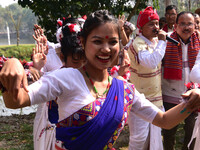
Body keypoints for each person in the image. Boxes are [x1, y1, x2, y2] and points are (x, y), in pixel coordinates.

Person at [1, 10, 200, 150]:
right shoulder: (65, 78)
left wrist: (192, 103)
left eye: (113, 42)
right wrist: (13, 65)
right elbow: (15, 101)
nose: (106, 49)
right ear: (83, 42)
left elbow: (164, 121)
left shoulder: (125, 89)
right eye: (97, 41)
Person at [31, 18, 86, 150]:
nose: (81, 66)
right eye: (76, 61)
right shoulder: (55, 70)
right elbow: (39, 84)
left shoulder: (90, 70)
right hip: (54, 118)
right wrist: (36, 69)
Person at [127, 6, 167, 150]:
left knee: (155, 136)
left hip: (156, 98)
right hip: (140, 99)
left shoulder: (155, 41)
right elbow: (150, 63)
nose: (155, 27)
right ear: (141, 27)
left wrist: (161, 41)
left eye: (157, 23)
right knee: (139, 138)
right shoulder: (138, 44)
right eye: (151, 24)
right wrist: (162, 42)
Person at [162, 11, 200, 150]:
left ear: (195, 25)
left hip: (193, 95)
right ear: (176, 25)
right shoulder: (165, 40)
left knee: (192, 131)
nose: (186, 27)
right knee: (169, 132)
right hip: (170, 95)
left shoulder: (199, 41)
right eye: (182, 24)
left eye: (189, 23)